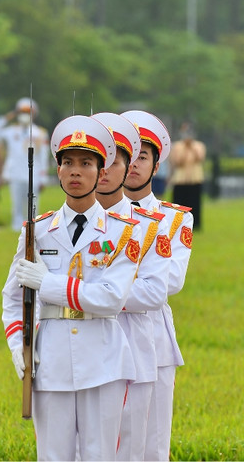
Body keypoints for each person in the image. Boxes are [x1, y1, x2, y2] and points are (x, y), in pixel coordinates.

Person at [1, 114, 140, 461]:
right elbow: (13, 296)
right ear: (58, 171)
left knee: (100, 455)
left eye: (86, 163)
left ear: (101, 172)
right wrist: (18, 343)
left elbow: (110, 298)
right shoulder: (38, 230)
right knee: (52, 455)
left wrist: (47, 283)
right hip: (50, 359)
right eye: (67, 163)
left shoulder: (124, 232)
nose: (75, 171)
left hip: (103, 360)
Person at [93, 112, 171, 461]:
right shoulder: (59, 223)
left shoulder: (155, 224)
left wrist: (93, 294)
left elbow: (159, 289)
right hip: (81, 339)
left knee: (137, 445)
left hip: (138, 335)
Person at [121, 110, 192, 461]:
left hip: (153, 336)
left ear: (156, 165)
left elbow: (169, 283)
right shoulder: (94, 216)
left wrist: (98, 289)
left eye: (141, 157)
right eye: (125, 157)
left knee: (152, 444)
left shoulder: (175, 218)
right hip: (98, 331)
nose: (132, 165)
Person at [0, 97, 49, 230]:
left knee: (32, 204)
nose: (25, 115)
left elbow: (43, 157)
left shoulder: (40, 133)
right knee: (16, 204)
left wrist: (43, 177)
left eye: (28, 112)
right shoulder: (11, 131)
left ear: (34, 114)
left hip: (33, 174)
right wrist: (8, 116)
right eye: (21, 112)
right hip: (15, 173)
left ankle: (32, 228)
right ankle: (16, 228)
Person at [169, 122, 206, 230]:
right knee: (179, 205)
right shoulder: (177, 146)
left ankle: (196, 225)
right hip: (180, 180)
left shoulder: (199, 145)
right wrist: (185, 148)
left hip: (195, 179)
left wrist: (191, 147)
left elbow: (200, 158)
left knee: (195, 203)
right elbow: (177, 162)